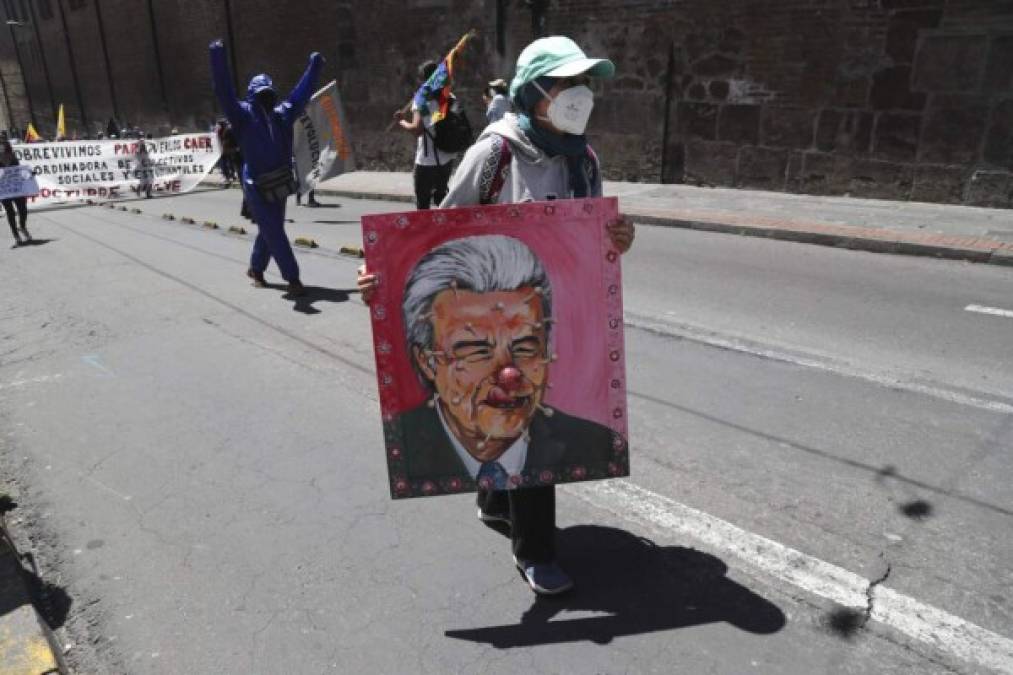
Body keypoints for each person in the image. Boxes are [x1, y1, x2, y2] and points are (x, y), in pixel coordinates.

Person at [359, 36, 635, 596]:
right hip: (488, 321)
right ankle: (536, 551)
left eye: (586, 84)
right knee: (513, 411)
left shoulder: (585, 161)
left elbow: (592, 235)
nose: (579, 95)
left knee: (530, 413)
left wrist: (618, 238)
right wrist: (384, 280)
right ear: (534, 93)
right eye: (565, 85)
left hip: (548, 321)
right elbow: (439, 227)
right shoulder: (496, 154)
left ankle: (494, 502)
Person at [388, 234, 621, 486]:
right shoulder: (400, 447)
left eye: (525, 346)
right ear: (426, 361)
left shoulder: (596, 444)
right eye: (476, 350)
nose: (508, 374)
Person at [209, 39, 324, 296]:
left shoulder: (282, 114)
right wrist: (217, 57)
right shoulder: (243, 116)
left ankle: (256, 268)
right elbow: (223, 91)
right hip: (256, 184)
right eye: (261, 94)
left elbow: (301, 94)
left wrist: (314, 67)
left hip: (280, 182)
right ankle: (293, 278)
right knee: (274, 229)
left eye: (268, 92)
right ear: (253, 95)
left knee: (270, 229)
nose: (266, 98)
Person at [395, 60, 460, 210]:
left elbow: (417, 130)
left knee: (423, 204)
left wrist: (401, 121)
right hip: (446, 157)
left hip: (427, 160)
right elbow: (442, 119)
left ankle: (427, 232)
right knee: (441, 199)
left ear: (423, 79)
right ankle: (444, 230)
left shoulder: (422, 101)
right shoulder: (449, 97)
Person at [0, 140, 31, 246]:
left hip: (17, 187)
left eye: (2, 144)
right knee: (10, 212)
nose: (1, 146)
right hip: (4, 189)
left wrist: (28, 174)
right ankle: (16, 236)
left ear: (6, 145)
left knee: (23, 209)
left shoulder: (12, 156)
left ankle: (22, 226)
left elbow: (18, 169)